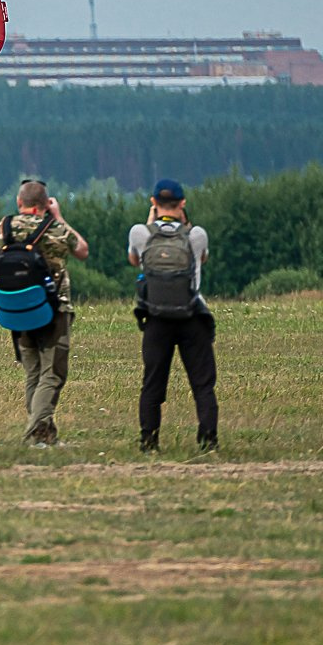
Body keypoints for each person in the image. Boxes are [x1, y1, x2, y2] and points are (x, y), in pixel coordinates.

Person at [0, 179, 89, 446]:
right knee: (53, 374)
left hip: (16, 308)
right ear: (45, 204)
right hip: (52, 309)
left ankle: (45, 436)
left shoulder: (4, 227)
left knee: (34, 372)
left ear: (19, 202)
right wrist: (58, 216)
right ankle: (33, 436)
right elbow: (82, 249)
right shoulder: (55, 229)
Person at [127, 179, 218, 452]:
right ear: (183, 204)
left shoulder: (139, 233)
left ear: (153, 203)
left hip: (156, 317)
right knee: (202, 383)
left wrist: (151, 220)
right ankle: (208, 439)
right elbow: (202, 259)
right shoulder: (197, 235)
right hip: (191, 315)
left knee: (153, 383)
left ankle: (149, 441)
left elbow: (135, 260)